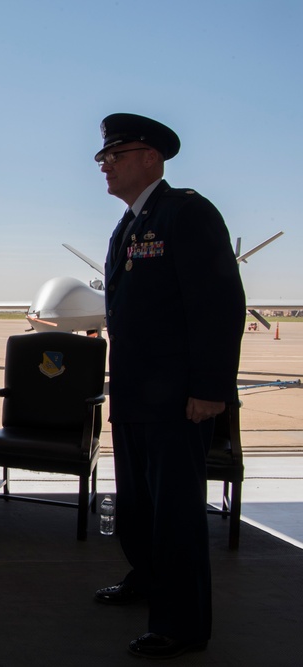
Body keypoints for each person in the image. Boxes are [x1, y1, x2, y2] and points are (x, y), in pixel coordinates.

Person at [91, 113, 245, 660]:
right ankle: (149, 580)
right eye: (102, 158)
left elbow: (220, 305)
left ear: (151, 158)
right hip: (136, 397)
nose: (104, 165)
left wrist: (210, 389)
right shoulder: (130, 225)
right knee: (138, 507)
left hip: (180, 402)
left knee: (175, 515)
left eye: (116, 155)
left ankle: (182, 624)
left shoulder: (187, 213)